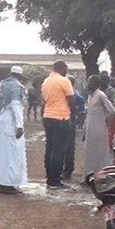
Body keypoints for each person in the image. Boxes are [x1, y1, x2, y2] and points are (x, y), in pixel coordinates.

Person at [0, 66, 28, 194]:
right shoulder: (17, 87)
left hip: (2, 120)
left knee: (2, 153)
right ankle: (8, 184)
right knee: (13, 154)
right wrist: (19, 125)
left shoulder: (2, 84)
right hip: (11, 123)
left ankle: (2, 182)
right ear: (20, 76)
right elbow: (15, 106)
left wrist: (1, 113)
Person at [41, 60, 75, 189]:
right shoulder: (64, 80)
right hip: (61, 117)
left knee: (49, 148)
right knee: (58, 150)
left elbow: (44, 100)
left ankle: (50, 177)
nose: (66, 71)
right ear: (62, 68)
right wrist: (72, 113)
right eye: (65, 69)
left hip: (48, 117)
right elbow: (71, 100)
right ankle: (54, 181)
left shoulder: (46, 81)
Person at [83, 75, 115, 179]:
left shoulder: (100, 95)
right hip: (90, 129)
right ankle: (90, 176)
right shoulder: (90, 96)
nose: (88, 84)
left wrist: (106, 123)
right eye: (87, 81)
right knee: (90, 153)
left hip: (99, 129)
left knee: (100, 153)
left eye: (90, 82)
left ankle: (101, 176)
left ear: (97, 84)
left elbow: (112, 111)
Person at [64, 75, 86, 180]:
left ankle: (68, 170)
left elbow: (82, 112)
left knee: (68, 148)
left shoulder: (77, 96)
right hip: (64, 123)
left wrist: (77, 122)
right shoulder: (67, 94)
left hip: (70, 124)